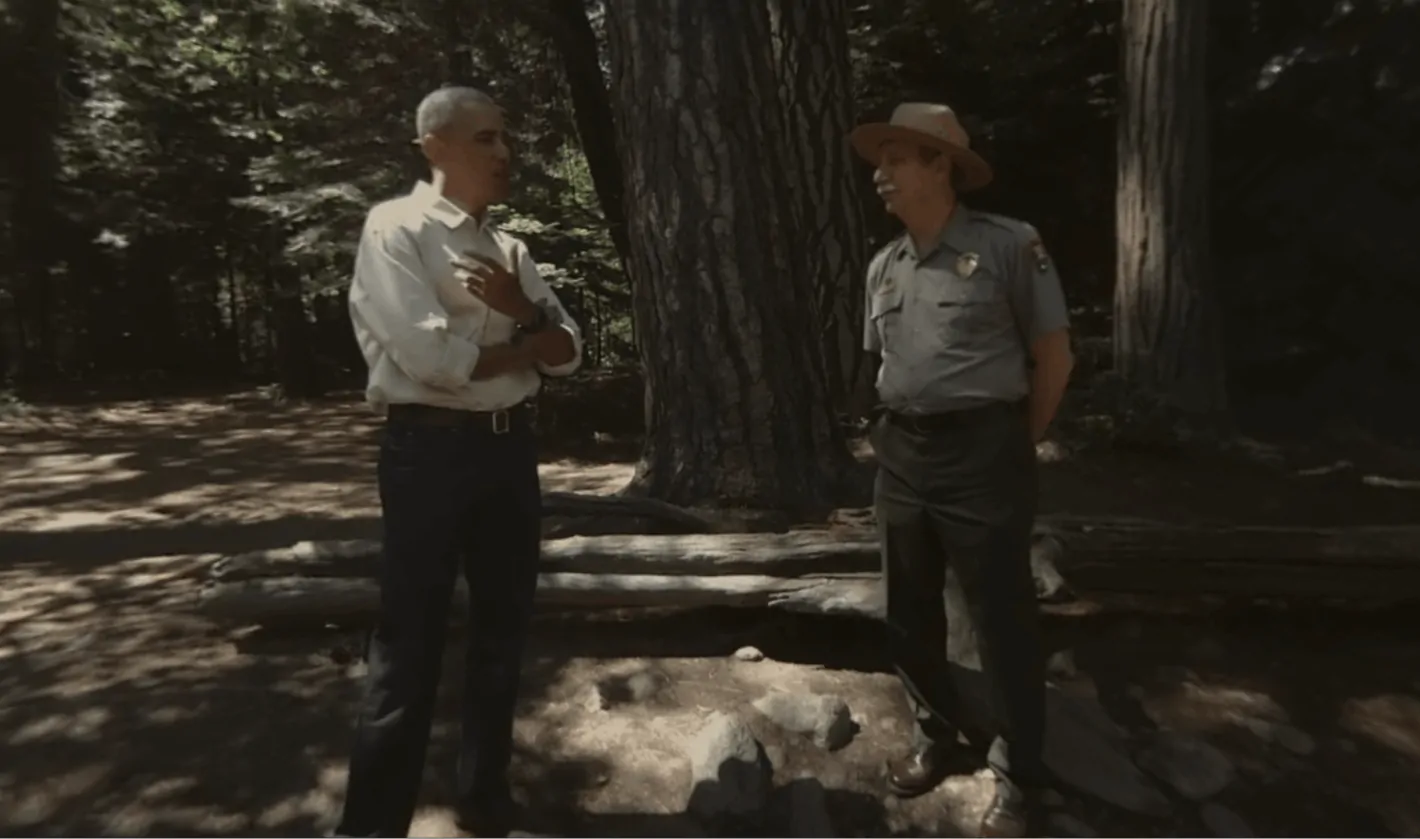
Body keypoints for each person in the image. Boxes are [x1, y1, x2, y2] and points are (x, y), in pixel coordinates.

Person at [333, 85, 583, 838]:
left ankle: (485, 798)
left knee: (503, 634)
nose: (505, 154)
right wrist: (522, 346)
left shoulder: (508, 251)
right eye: (486, 139)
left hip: (509, 452)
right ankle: (372, 826)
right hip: (428, 454)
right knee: (408, 646)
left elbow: (568, 352)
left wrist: (523, 310)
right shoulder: (396, 229)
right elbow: (429, 357)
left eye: (505, 139)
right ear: (434, 145)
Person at [848, 102, 1074, 838]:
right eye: (878, 161)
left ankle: (1018, 771)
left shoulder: (1010, 245)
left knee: (1001, 618)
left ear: (940, 165)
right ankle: (938, 734)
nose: (879, 174)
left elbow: (1054, 358)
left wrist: (1012, 443)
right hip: (904, 455)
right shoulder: (884, 265)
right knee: (909, 610)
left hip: (985, 451)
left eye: (896, 159)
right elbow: (880, 364)